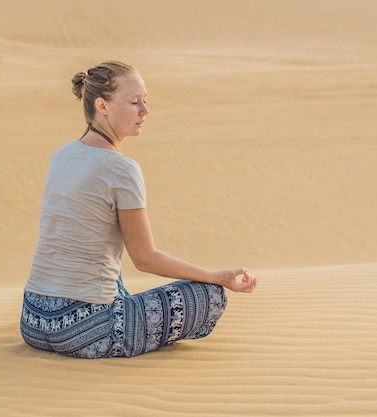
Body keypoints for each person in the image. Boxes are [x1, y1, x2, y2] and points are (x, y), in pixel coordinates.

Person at [20, 61, 257, 359]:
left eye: (146, 101)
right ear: (102, 106)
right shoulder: (122, 169)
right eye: (134, 102)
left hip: (33, 321)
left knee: (110, 268)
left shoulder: (62, 155)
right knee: (208, 295)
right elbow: (145, 259)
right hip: (84, 331)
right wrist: (216, 276)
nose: (145, 111)